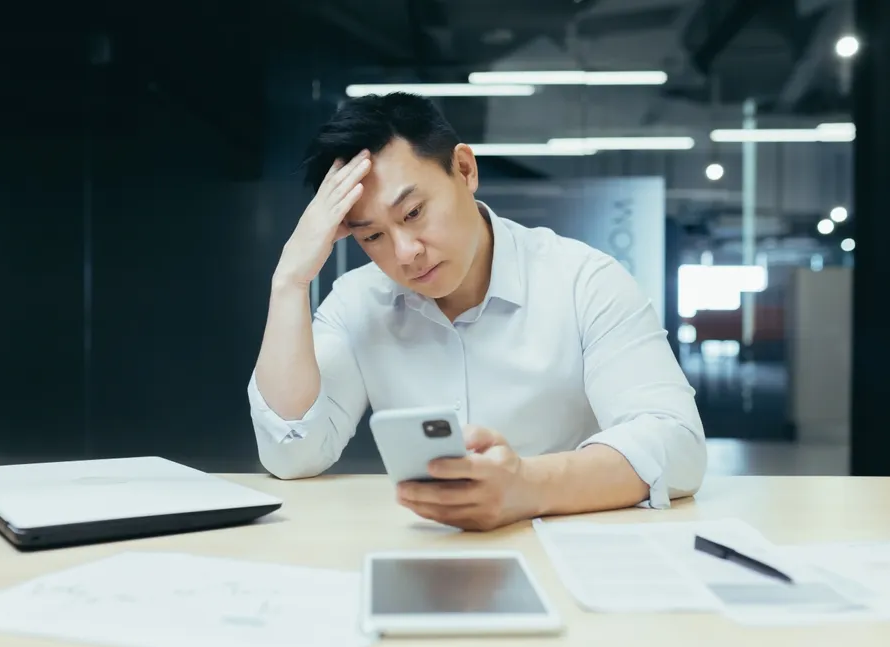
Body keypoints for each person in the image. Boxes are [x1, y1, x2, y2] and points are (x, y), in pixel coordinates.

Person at [248, 92, 706, 531]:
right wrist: (289, 280)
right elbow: (292, 454)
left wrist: (527, 487)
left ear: (464, 169)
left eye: (412, 213)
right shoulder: (358, 301)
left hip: (569, 547)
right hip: (423, 553)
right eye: (372, 237)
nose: (405, 253)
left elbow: (675, 443)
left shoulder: (584, 281)